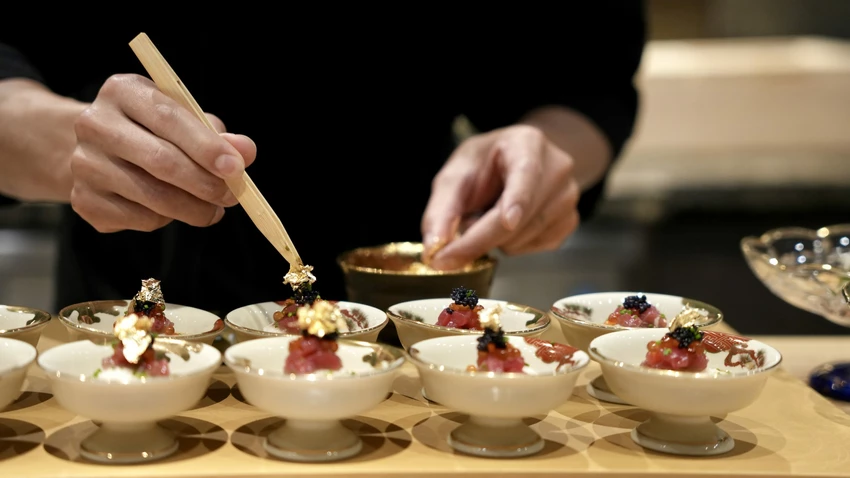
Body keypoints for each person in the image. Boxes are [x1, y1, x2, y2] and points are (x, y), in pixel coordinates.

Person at [0, 6, 645, 318]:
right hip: (127, 327)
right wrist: (70, 143)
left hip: (409, 319)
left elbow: (586, 74)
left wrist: (545, 152)